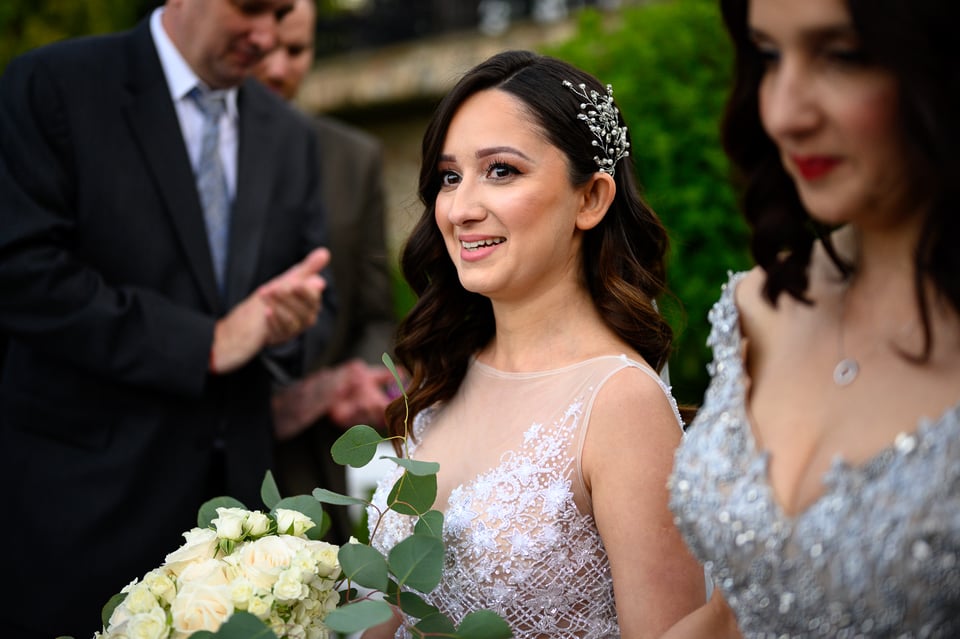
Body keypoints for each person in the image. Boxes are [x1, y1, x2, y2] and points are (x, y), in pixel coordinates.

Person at [0, 1, 334, 637]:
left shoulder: (290, 134)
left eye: (283, 11)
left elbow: (324, 306)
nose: (267, 37)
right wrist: (203, 343)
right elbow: (23, 274)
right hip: (80, 509)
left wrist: (287, 327)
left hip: (235, 526)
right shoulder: (53, 86)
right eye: (251, 7)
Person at [364, 50, 706, 638]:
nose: (461, 209)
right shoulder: (443, 375)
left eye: (501, 170)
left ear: (590, 199)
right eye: (450, 177)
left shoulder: (621, 405)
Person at [665, 0, 960, 636]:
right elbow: (731, 614)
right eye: (769, 56)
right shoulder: (757, 308)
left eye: (843, 56)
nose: (782, 114)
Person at [252, 0, 397, 544]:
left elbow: (377, 312)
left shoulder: (352, 157)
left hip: (308, 472)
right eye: (265, 51)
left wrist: (358, 380)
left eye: (296, 51)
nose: (278, 69)